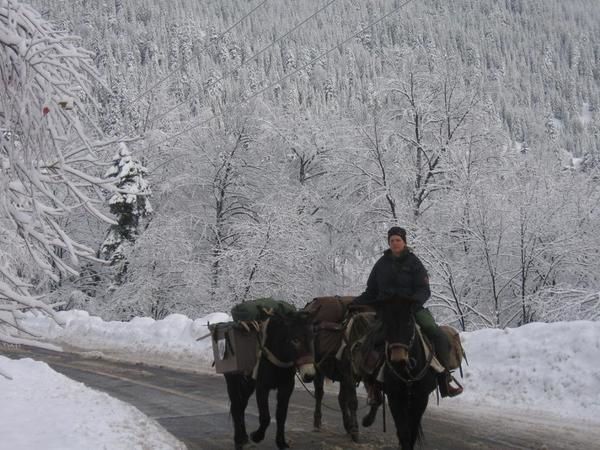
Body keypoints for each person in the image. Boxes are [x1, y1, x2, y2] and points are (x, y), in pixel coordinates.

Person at [352, 226, 463, 400]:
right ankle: (372, 384)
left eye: (398, 240)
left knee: (436, 333)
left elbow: (424, 290)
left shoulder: (414, 263)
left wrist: (413, 303)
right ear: (388, 243)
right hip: (386, 311)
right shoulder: (381, 264)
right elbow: (371, 291)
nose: (395, 243)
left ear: (404, 242)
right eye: (392, 240)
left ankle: (444, 379)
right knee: (370, 338)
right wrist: (355, 303)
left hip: (412, 308)